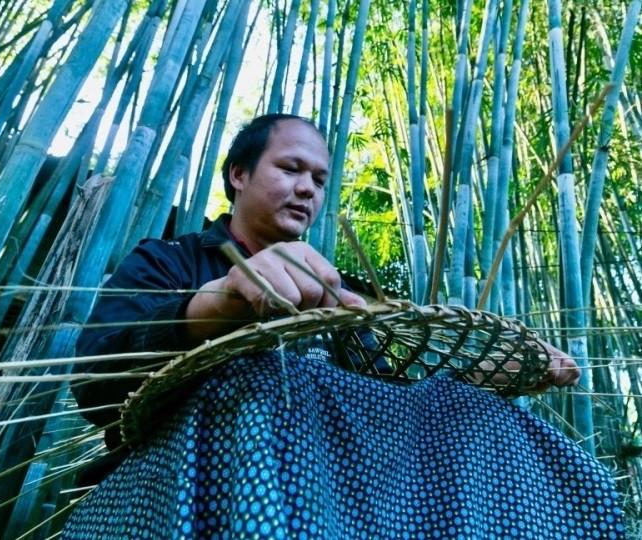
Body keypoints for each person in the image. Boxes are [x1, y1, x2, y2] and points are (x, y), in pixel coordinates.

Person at [63, 114, 623, 538]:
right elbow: (95, 385)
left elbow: (396, 393)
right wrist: (219, 302)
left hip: (346, 490)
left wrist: (482, 372)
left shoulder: (345, 292)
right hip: (178, 486)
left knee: (482, 413)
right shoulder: (170, 262)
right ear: (238, 174)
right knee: (264, 380)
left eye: (320, 179)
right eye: (290, 168)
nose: (308, 188)